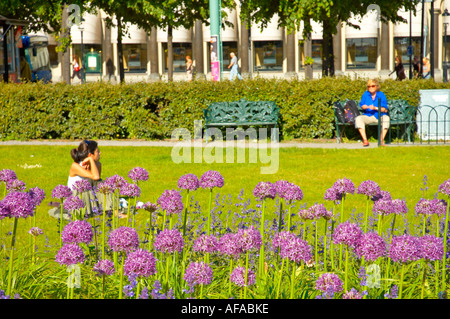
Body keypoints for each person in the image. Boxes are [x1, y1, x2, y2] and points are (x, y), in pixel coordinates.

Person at [355, 79, 390, 147]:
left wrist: (375, 108)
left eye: (372, 86)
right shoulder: (365, 94)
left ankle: (381, 140)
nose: (370, 88)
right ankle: (365, 140)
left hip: (380, 115)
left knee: (386, 118)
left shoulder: (381, 95)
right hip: (369, 115)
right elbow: (362, 105)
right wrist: (363, 107)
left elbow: (384, 109)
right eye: (369, 86)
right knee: (359, 119)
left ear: (377, 86)